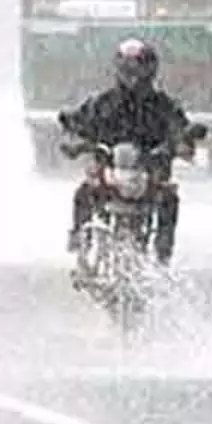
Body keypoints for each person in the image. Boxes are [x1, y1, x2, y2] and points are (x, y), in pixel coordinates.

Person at [59, 39, 192, 273]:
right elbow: (77, 123)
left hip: (148, 174)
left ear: (151, 70)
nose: (134, 77)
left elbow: (181, 129)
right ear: (118, 70)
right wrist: (76, 142)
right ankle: (81, 240)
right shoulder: (101, 103)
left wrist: (180, 144)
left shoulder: (163, 106)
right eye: (128, 70)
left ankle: (163, 255)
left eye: (140, 69)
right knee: (84, 192)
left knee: (169, 198)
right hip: (110, 173)